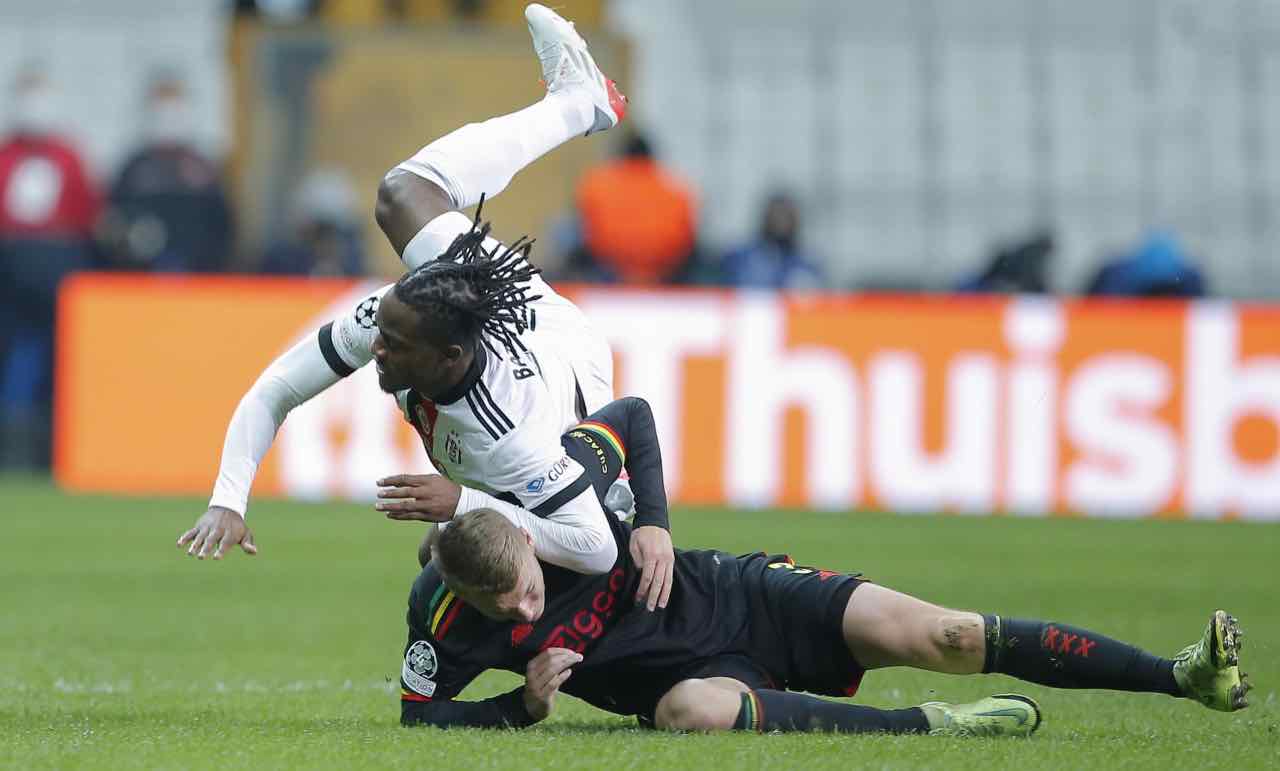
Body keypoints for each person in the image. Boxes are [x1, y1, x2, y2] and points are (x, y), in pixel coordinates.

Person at [176, 4, 675, 611]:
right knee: (402, 195)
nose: (374, 348)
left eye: (392, 344)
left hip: (570, 369)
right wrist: (230, 498)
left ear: (448, 357)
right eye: (383, 332)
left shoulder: (512, 433)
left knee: (488, 541)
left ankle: (598, 491)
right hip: (509, 302)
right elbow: (274, 390)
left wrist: (463, 506)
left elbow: (595, 549)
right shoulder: (400, 314)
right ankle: (579, 102)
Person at [392, 398, 1252, 734]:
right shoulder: (444, 615)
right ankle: (933, 726)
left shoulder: (555, 486)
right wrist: (523, 701)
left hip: (736, 594)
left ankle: (1185, 677)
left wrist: (650, 522)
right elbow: (416, 715)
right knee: (693, 711)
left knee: (945, 630)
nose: (523, 611)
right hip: (668, 680)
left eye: (533, 588)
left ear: (531, 536)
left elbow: (636, 415)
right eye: (506, 610)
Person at [0, 63, 101, 468]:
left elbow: (86, 214)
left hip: (58, 267)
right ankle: (16, 448)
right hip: (11, 269)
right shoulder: (7, 154)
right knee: (17, 359)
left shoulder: (68, 155)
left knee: (60, 359)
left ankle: (53, 450)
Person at [98, 69, 232, 273]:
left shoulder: (203, 167)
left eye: (175, 107)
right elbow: (113, 223)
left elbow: (223, 226)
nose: (168, 116)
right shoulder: (134, 167)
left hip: (198, 277)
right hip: (139, 277)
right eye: (162, 107)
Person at [570, 131, 698, 285]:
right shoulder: (677, 189)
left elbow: (587, 228)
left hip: (610, 269)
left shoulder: (598, 184)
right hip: (665, 271)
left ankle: (567, 280)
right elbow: (688, 236)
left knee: (565, 229)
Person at [719, 191, 824, 290]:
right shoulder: (741, 259)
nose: (781, 221)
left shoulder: (806, 264)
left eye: (786, 215)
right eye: (777, 214)